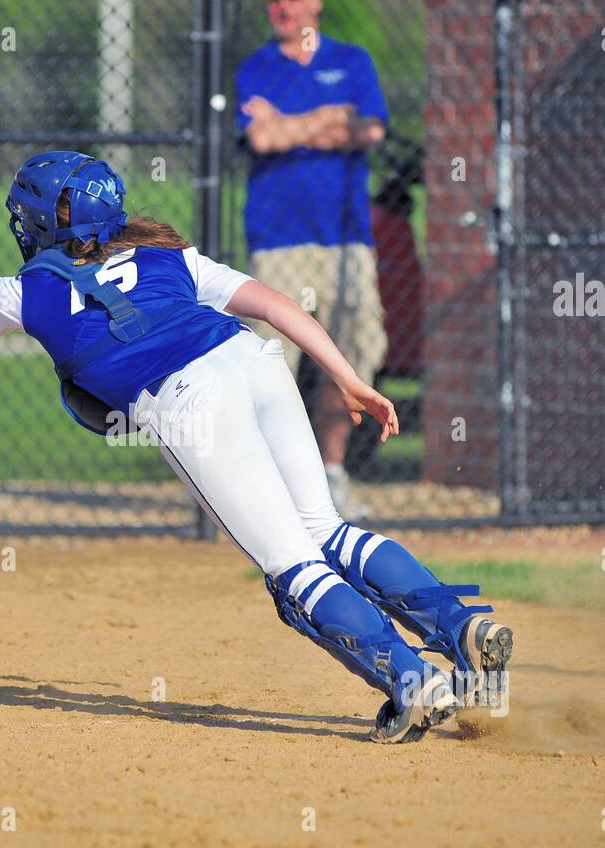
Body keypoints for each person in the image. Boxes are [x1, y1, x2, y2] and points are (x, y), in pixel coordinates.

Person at [0, 151, 514, 742]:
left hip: (193, 402)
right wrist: (349, 377)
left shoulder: (36, 289)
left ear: (52, 223)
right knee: (327, 530)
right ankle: (462, 625)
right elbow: (275, 305)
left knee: (293, 572)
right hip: (255, 363)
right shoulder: (165, 253)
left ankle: (413, 680)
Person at [237, 0, 390, 516]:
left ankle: (331, 475)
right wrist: (328, 118)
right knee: (269, 366)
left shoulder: (352, 61)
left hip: (346, 240)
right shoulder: (257, 67)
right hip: (279, 241)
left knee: (351, 358)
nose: (281, 7)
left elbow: (369, 131)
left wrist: (289, 127)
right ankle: (271, 487)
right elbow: (261, 137)